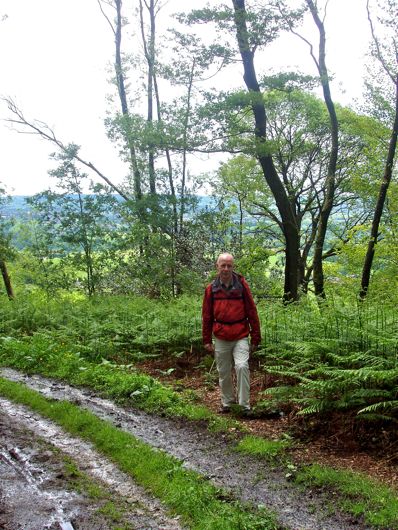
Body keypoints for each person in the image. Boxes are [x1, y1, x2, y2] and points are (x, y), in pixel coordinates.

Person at [202, 253, 261, 416]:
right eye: (223, 265)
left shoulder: (242, 285)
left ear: (233, 267)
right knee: (224, 371)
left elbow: (251, 310)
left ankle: (244, 406)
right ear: (217, 267)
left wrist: (256, 336)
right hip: (220, 336)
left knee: (242, 366)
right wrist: (206, 339)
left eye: (229, 265)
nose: (226, 269)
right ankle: (227, 402)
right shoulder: (211, 289)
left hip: (241, 334)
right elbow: (206, 315)